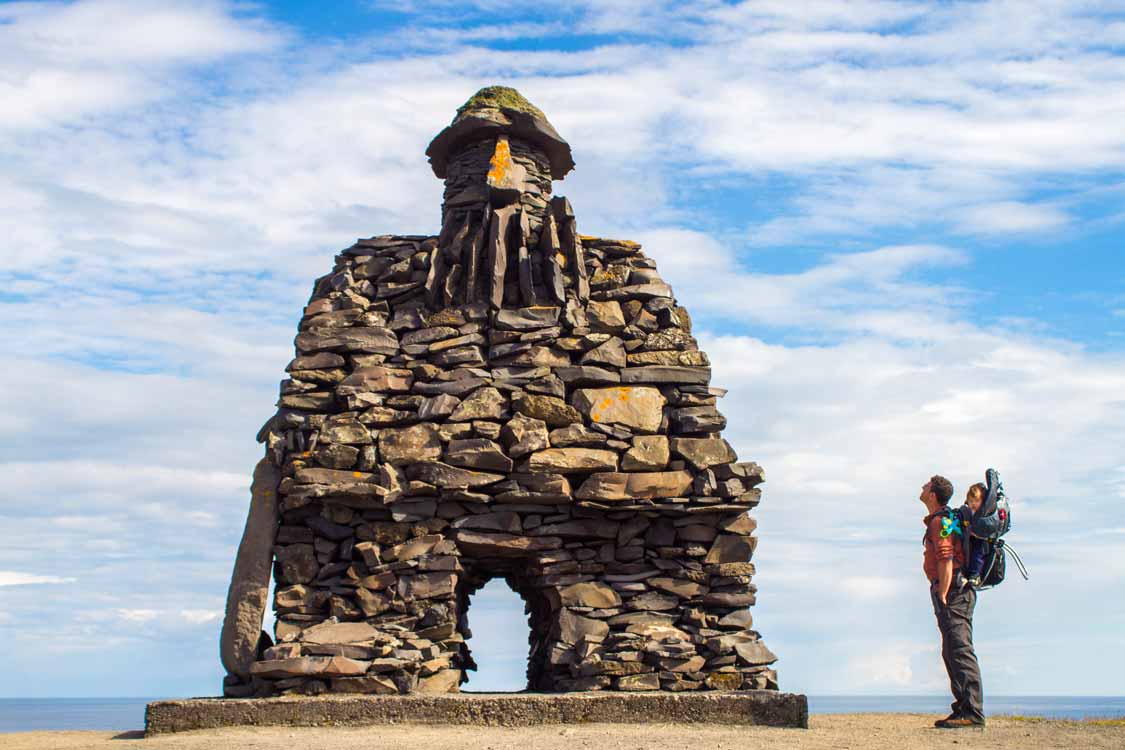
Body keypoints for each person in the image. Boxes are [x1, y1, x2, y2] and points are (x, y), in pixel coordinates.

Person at [920, 475, 985, 729]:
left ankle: (973, 713)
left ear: (933, 494)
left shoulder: (940, 521)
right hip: (955, 591)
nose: (923, 488)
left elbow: (946, 558)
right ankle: (962, 708)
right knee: (951, 650)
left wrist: (943, 592)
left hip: (954, 592)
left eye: (926, 486)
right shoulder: (942, 519)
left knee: (959, 649)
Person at [960, 483, 991, 588]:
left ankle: (975, 574)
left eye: (977, 501)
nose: (973, 504)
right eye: (971, 501)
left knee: (977, 555)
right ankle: (965, 573)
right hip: (969, 538)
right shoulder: (967, 511)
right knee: (965, 554)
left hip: (980, 540)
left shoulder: (983, 514)